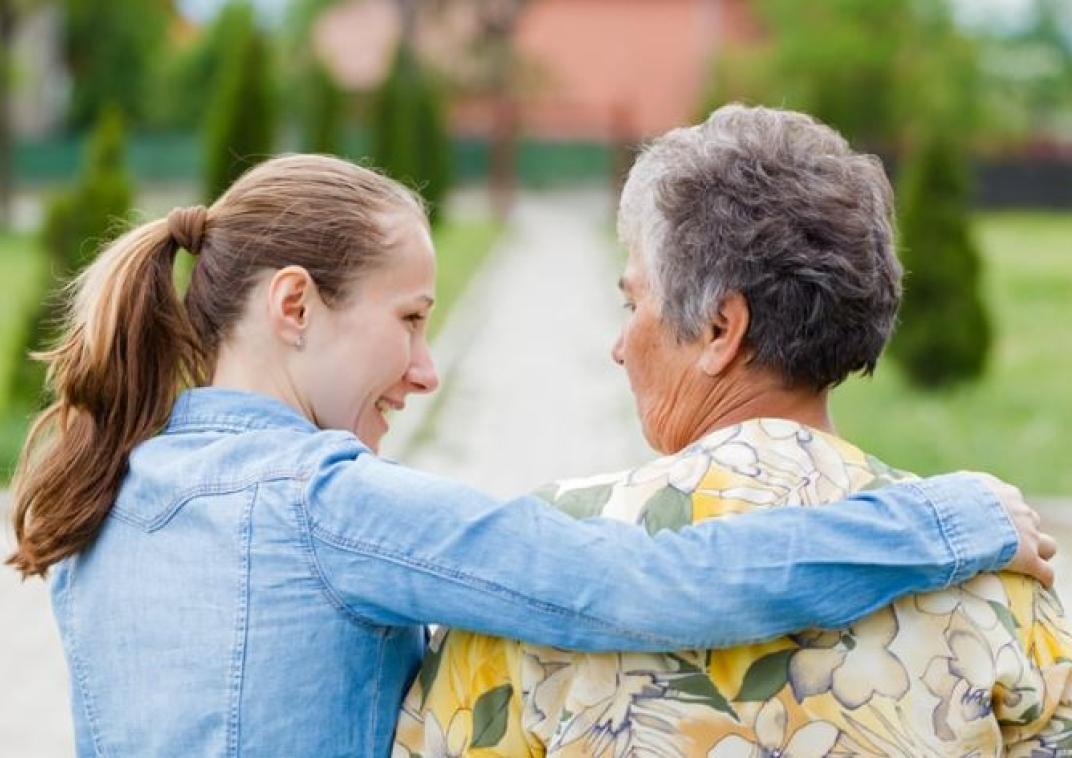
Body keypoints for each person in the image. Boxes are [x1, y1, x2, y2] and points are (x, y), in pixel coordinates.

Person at [6, 155, 1052, 757]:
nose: (426, 369)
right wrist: (941, 520)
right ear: (293, 305)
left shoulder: (100, 495)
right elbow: (648, 585)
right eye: (410, 319)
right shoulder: (325, 505)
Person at [394, 106, 1070, 756]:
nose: (619, 348)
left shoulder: (542, 566)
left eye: (632, 304)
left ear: (721, 328)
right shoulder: (1000, 572)